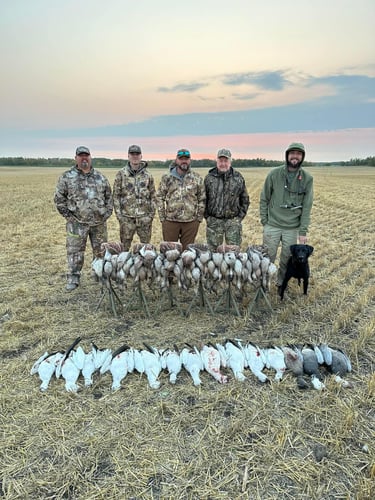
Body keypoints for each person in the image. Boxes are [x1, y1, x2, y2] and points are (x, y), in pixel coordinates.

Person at [54, 146, 113, 291]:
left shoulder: (100, 177)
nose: (84, 158)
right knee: (75, 252)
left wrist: (105, 214)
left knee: (100, 251)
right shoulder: (67, 177)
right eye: (81, 156)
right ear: (76, 158)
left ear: (90, 157)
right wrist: (70, 217)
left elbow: (109, 198)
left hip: (98, 223)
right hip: (77, 224)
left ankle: (99, 275)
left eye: (86, 155)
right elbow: (59, 199)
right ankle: (73, 278)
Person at [259, 142, 313, 293]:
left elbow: (307, 207)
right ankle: (264, 283)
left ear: (302, 157)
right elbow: (264, 198)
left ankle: (281, 284)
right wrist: (265, 220)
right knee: (267, 257)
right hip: (273, 224)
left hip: (292, 227)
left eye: (298, 154)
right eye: (292, 153)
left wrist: (303, 232)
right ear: (287, 155)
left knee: (287, 259)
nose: (295, 156)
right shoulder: (274, 174)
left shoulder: (307, 178)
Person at [156, 148, 206, 250]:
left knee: (187, 254)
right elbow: (159, 197)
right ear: (176, 160)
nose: (184, 161)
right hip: (170, 221)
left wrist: (198, 219)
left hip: (190, 223)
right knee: (169, 254)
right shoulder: (167, 177)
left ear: (190, 160)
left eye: (186, 159)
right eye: (181, 158)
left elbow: (202, 198)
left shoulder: (196, 178)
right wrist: (163, 218)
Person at [204, 148, 250, 249]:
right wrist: (208, 217)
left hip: (233, 222)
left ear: (230, 162)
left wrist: (238, 218)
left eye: (226, 161)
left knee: (233, 254)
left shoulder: (238, 178)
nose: (223, 164)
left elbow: (245, 200)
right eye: (221, 161)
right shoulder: (209, 178)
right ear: (217, 161)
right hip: (214, 222)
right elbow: (203, 199)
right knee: (213, 254)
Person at [112, 144, 156, 250]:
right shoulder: (121, 174)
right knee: (124, 248)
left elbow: (153, 196)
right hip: (126, 218)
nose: (135, 156)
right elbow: (116, 196)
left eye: (137, 154)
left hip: (144, 218)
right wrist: (120, 216)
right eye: (132, 154)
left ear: (141, 156)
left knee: (146, 249)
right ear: (128, 156)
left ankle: (144, 266)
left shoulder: (148, 176)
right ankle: (124, 266)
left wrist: (150, 216)